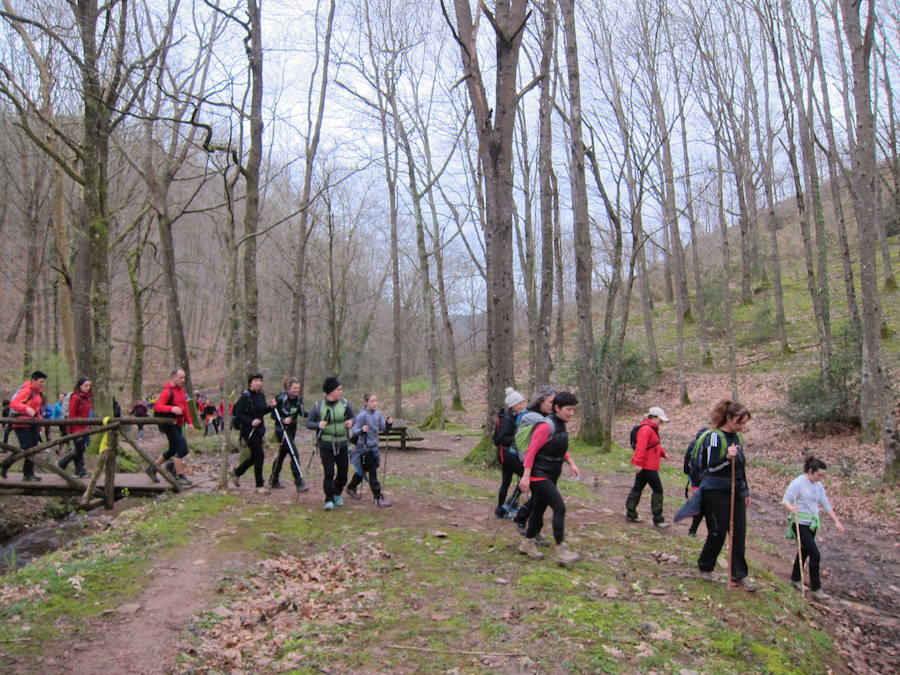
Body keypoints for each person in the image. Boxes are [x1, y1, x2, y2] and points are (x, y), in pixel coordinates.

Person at [695, 399, 757, 591]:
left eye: (744, 423)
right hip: (715, 491)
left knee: (738, 533)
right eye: (740, 423)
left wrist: (745, 490)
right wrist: (727, 458)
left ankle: (739, 576)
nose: (742, 427)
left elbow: (740, 468)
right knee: (718, 532)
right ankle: (705, 565)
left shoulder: (737, 439)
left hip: (735, 491)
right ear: (729, 418)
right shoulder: (714, 437)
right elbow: (710, 467)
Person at [518, 391, 582, 564]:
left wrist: (571, 463)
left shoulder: (560, 425)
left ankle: (527, 544)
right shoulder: (546, 426)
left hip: (552, 474)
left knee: (538, 509)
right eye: (569, 409)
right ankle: (561, 550)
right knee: (559, 508)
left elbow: (559, 447)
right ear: (557, 408)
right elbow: (531, 451)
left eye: (573, 409)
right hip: (539, 475)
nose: (572, 413)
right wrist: (526, 476)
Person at [782, 456, 845, 600]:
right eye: (819, 475)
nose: (821, 478)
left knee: (804, 551)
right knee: (815, 554)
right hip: (799, 523)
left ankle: (795, 579)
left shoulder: (818, 486)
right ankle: (816, 589)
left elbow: (825, 503)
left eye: (823, 476)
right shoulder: (798, 483)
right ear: (810, 471)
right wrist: (791, 508)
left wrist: (836, 522)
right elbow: (785, 500)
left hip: (812, 523)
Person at [513, 386, 557, 542]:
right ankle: (531, 529)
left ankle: (523, 518)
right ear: (541, 401)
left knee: (541, 498)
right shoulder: (535, 418)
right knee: (542, 498)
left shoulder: (544, 416)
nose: (553, 405)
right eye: (550, 401)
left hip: (537, 464)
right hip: (531, 464)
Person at [306, 376, 355, 511]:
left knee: (343, 474)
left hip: (342, 443)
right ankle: (329, 499)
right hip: (326, 444)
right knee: (329, 473)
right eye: (338, 389)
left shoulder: (345, 404)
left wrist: (351, 422)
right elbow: (308, 423)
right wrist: (318, 424)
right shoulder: (318, 406)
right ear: (331, 391)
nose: (341, 391)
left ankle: (337, 493)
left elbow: (353, 417)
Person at [230, 373, 276, 494]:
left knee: (255, 457)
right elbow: (238, 414)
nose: (258, 383)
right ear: (250, 382)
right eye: (255, 380)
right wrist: (251, 422)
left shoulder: (260, 395)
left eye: (259, 380)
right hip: (248, 431)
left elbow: (261, 411)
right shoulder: (245, 397)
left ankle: (237, 472)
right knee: (259, 456)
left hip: (259, 431)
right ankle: (259, 485)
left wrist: (271, 407)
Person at [626, 406, 671, 528]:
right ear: (654, 417)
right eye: (660, 420)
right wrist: (638, 463)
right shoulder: (646, 429)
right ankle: (658, 519)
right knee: (658, 490)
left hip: (647, 465)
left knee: (637, 488)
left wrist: (663, 453)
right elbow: (640, 447)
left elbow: (655, 445)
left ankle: (631, 513)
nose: (661, 422)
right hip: (647, 466)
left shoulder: (650, 429)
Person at [147, 368, 193, 486]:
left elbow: (185, 408)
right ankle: (178, 474)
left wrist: (190, 422)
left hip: (178, 425)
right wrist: (171, 408)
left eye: (184, 378)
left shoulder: (182, 391)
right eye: (181, 378)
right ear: (173, 377)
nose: (183, 380)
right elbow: (157, 406)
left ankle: (153, 468)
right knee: (182, 448)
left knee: (173, 449)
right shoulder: (167, 391)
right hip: (169, 425)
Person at [347, 392, 393, 507]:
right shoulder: (362, 415)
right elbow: (354, 430)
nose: (374, 403)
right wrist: (362, 430)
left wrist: (388, 424)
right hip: (364, 448)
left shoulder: (378, 414)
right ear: (366, 403)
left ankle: (351, 487)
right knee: (373, 473)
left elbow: (383, 430)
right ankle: (377, 498)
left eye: (376, 401)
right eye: (372, 401)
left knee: (362, 471)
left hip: (374, 448)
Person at [268, 377, 309, 493]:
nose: (296, 390)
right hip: (281, 430)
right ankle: (299, 482)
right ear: (288, 388)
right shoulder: (281, 398)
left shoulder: (298, 399)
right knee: (294, 453)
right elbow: (273, 415)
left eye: (298, 388)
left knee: (281, 455)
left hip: (291, 430)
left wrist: (314, 414)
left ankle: (273, 479)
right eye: (294, 388)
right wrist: (282, 419)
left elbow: (302, 413)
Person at [9, 370, 48, 481]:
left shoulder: (38, 393)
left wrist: (41, 423)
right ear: (33, 380)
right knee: (26, 448)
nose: (42, 384)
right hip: (21, 423)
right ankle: (6, 465)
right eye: (41, 381)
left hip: (33, 423)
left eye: (44, 382)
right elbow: (13, 403)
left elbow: (37, 409)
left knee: (33, 448)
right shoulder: (26, 390)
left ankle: (28, 473)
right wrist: (26, 408)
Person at [493, 387, 527, 518]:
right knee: (525, 477)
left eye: (523, 402)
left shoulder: (514, 416)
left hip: (508, 455)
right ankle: (509, 504)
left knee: (506, 483)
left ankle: (500, 510)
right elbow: (501, 439)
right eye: (521, 402)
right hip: (507, 456)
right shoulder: (507, 418)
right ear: (514, 406)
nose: (524, 404)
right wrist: (518, 439)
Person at [58, 377, 93, 477]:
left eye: (89, 385)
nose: (88, 387)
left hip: (85, 427)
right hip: (76, 428)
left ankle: (80, 471)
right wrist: (71, 429)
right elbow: (72, 414)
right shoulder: (75, 397)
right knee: (79, 449)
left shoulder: (87, 398)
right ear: (80, 386)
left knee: (80, 450)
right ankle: (62, 463)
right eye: (86, 385)